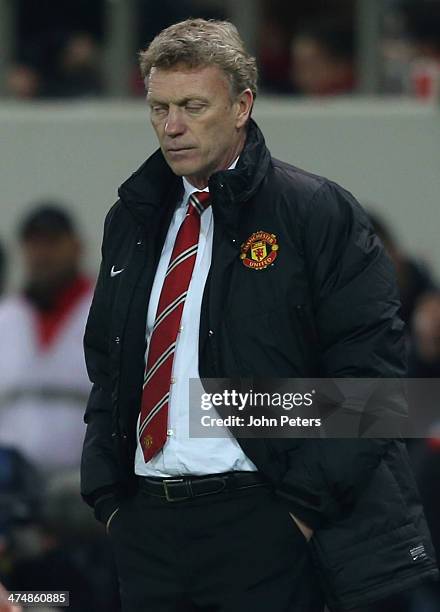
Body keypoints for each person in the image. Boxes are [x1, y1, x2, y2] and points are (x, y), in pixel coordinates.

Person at [80, 18, 439, 612]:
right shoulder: (132, 221)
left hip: (266, 519)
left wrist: (298, 512)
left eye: (193, 106)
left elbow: (372, 385)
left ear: (243, 104)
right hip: (147, 529)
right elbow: (107, 371)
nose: (171, 127)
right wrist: (110, 500)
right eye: (159, 108)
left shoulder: (315, 214)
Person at [0, 204, 93, 473]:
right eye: (34, 244)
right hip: (12, 479)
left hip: (84, 481)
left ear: (76, 247)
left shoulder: (103, 310)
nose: (42, 254)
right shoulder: (7, 317)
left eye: (52, 243)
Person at [290, 19, 355, 96]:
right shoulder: (300, 101)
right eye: (297, 67)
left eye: (310, 66)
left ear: (340, 66)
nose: (298, 76)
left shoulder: (361, 98)